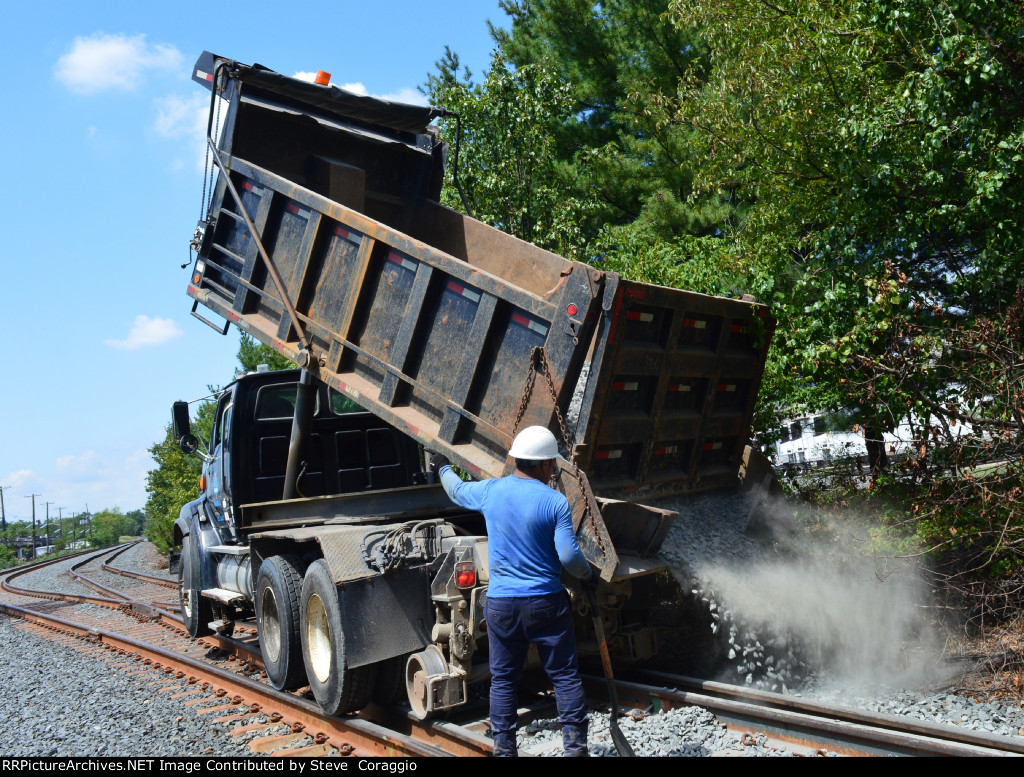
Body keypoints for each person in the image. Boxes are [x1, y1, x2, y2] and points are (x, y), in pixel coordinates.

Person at [426, 426, 594, 757]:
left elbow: (456, 491)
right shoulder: (555, 502)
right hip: (546, 604)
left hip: (501, 605)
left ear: (516, 459)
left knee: (503, 680)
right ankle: (576, 749)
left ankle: (504, 750)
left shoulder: (491, 491)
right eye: (552, 464)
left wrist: (442, 465)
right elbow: (569, 556)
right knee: (564, 676)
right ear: (545, 464)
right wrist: (586, 575)